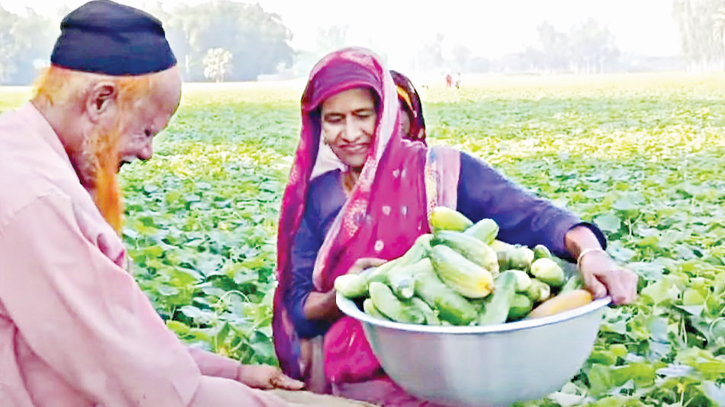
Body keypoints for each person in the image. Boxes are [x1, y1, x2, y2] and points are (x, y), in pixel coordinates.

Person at [272, 47, 640, 406]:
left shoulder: (437, 172)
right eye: (334, 119)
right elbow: (300, 311)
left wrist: (591, 252)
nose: (349, 132)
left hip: (448, 380)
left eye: (362, 115)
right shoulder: (317, 197)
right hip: (352, 387)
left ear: (383, 115)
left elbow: (533, 216)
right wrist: (348, 292)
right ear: (317, 122)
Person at [0, 1, 308, 406]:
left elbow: (121, 341)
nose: (147, 153)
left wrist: (235, 372)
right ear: (99, 102)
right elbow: (144, 389)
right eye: (145, 130)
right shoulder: (35, 198)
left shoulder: (19, 150)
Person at [311, 69, 426, 179]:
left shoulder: (432, 174)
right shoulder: (327, 184)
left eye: (394, 110)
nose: (386, 119)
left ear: (412, 116)